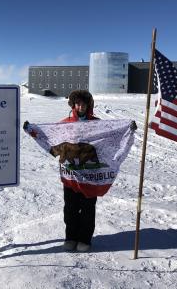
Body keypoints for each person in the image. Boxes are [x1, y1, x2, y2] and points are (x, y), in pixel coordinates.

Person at [59, 89, 99, 252]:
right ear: (73, 104)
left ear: (88, 104)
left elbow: (112, 135)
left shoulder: (97, 123)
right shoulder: (65, 123)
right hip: (71, 175)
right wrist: (33, 131)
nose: (80, 106)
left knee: (88, 208)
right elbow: (51, 137)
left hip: (90, 175)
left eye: (83, 103)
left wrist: (127, 129)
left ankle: (84, 239)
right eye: (78, 103)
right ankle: (71, 238)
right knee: (70, 208)